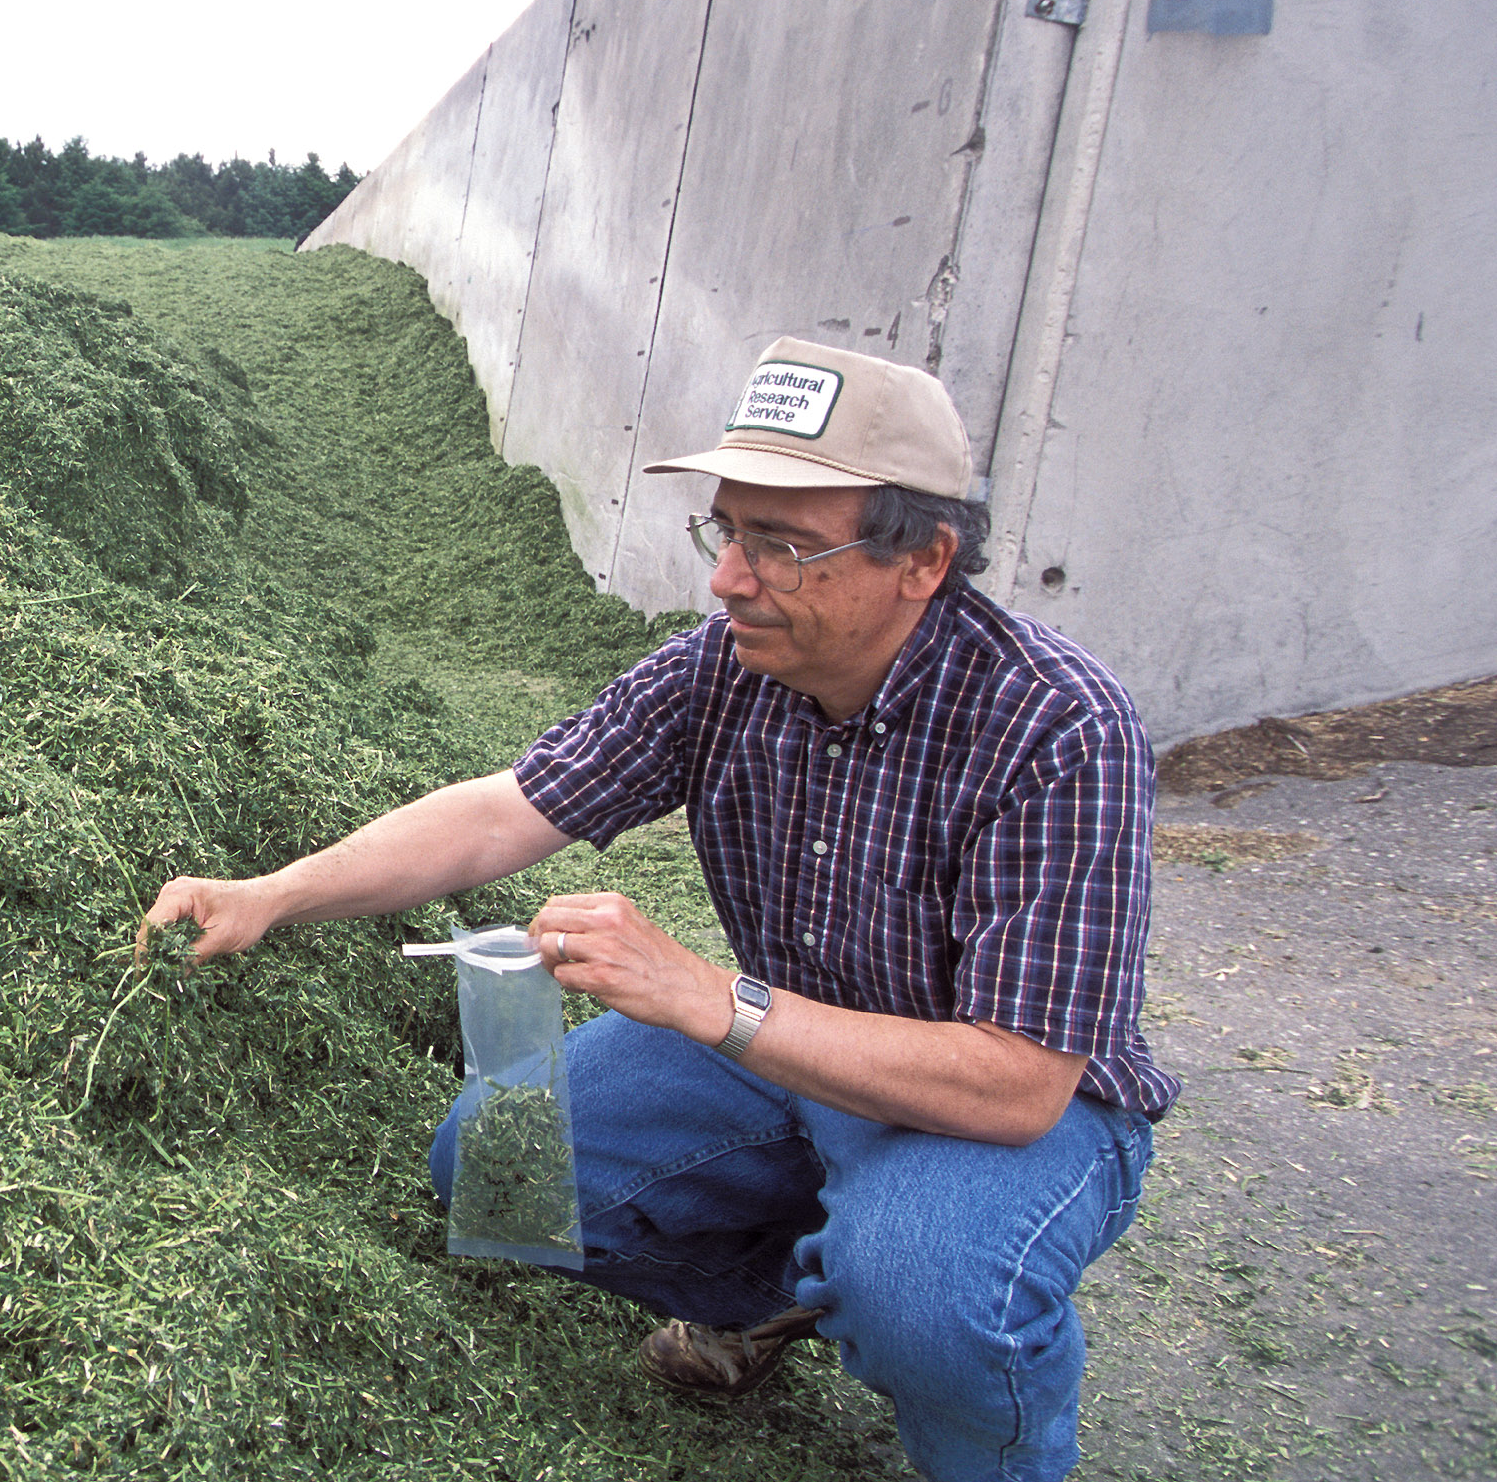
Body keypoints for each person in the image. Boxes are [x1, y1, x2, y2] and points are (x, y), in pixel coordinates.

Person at [144, 336, 1173, 1482]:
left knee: (929, 1299)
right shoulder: (721, 670)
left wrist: (702, 997)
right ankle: (793, 1295)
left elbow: (1021, 1081)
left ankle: (967, 1412)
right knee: (499, 1169)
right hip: (784, 1039)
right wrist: (272, 894)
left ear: (922, 561)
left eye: (781, 546)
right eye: (727, 532)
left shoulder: (1058, 729)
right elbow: (499, 814)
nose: (730, 578)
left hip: (989, 1102)